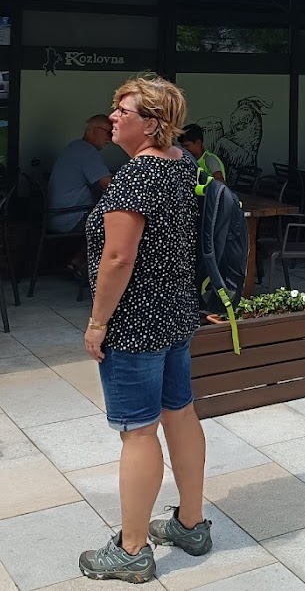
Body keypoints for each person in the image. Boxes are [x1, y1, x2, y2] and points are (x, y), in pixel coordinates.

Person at [79, 75, 212, 583]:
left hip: (135, 321)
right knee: (180, 413)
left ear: (152, 124)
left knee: (138, 432)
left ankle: (132, 549)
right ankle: (191, 524)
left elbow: (118, 257)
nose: (112, 117)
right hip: (176, 312)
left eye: (123, 110)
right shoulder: (183, 164)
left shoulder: (137, 176)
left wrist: (98, 322)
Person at [48, 115, 115, 234]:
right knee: (122, 223)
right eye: (108, 133)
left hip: (55, 217)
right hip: (71, 220)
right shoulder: (87, 151)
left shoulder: (75, 146)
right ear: (92, 129)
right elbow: (108, 186)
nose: (111, 138)